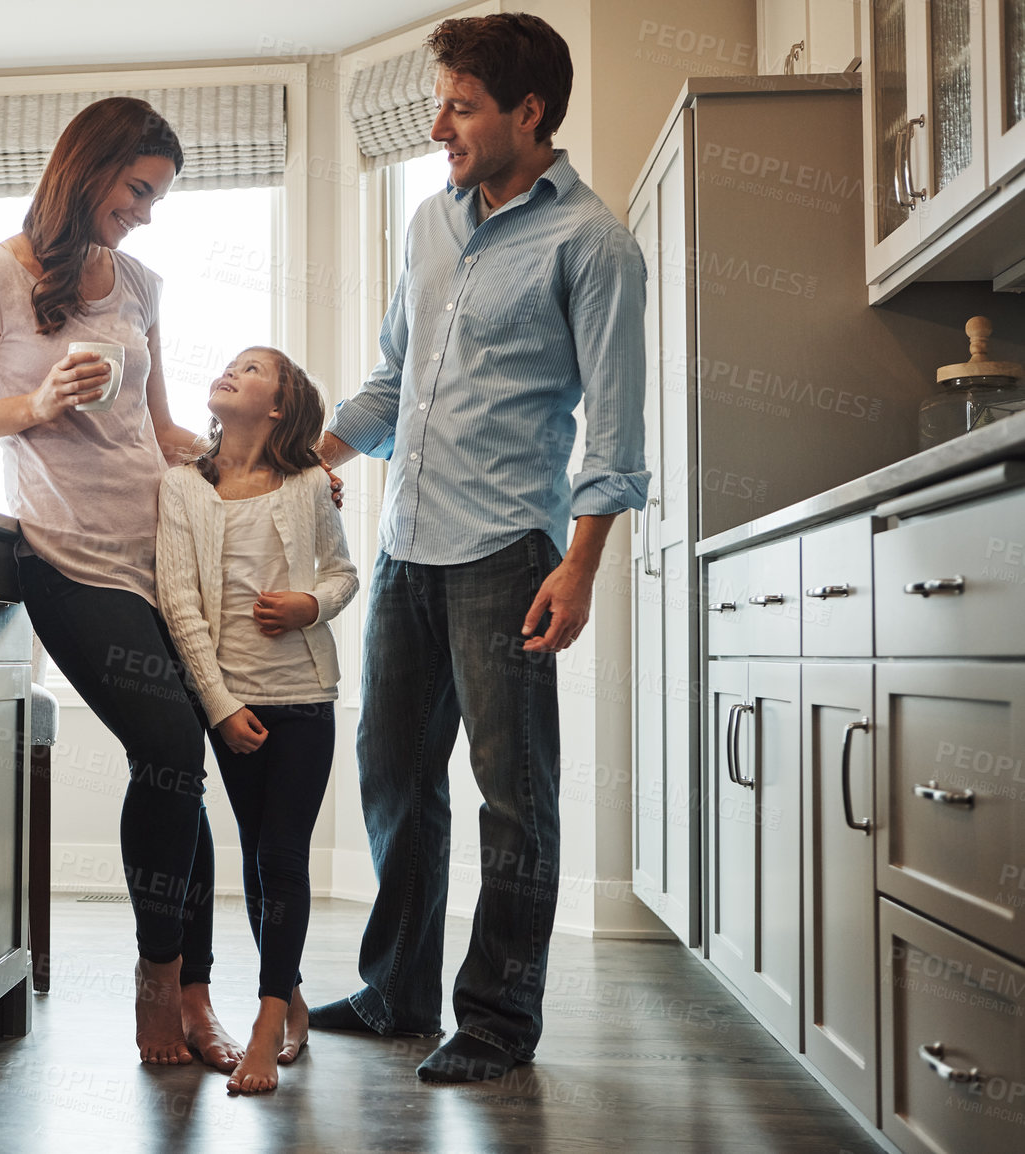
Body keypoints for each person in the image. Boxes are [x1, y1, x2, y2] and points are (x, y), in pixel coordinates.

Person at [306, 13, 649, 1084]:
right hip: (405, 545)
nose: (438, 123)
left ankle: (497, 1019)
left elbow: (618, 430)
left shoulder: (593, 243)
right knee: (393, 775)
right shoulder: (428, 223)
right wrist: (303, 458)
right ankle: (395, 989)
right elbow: (391, 382)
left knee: (515, 792)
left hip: (507, 551)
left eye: (459, 104)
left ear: (527, 112)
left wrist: (580, 562)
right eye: (441, 101)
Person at [0, 96, 242, 1070]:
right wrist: (31, 401)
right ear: (86, 169)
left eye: (156, 196)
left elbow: (158, 427)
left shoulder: (136, 279)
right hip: (64, 555)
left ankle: (192, 991)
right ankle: (152, 985)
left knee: (187, 764)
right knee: (172, 744)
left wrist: (270, 456)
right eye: (137, 189)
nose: (144, 211)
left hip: (157, 556)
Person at [154, 347, 357, 1093]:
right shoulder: (181, 488)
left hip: (304, 698)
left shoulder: (309, 485)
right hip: (230, 705)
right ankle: (291, 993)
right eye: (231, 364)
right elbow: (179, 605)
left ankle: (268, 1021)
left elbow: (343, 574)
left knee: (282, 856)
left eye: (254, 369)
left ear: (278, 407)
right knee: (256, 858)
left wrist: (312, 605)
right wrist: (221, 706)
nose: (233, 370)